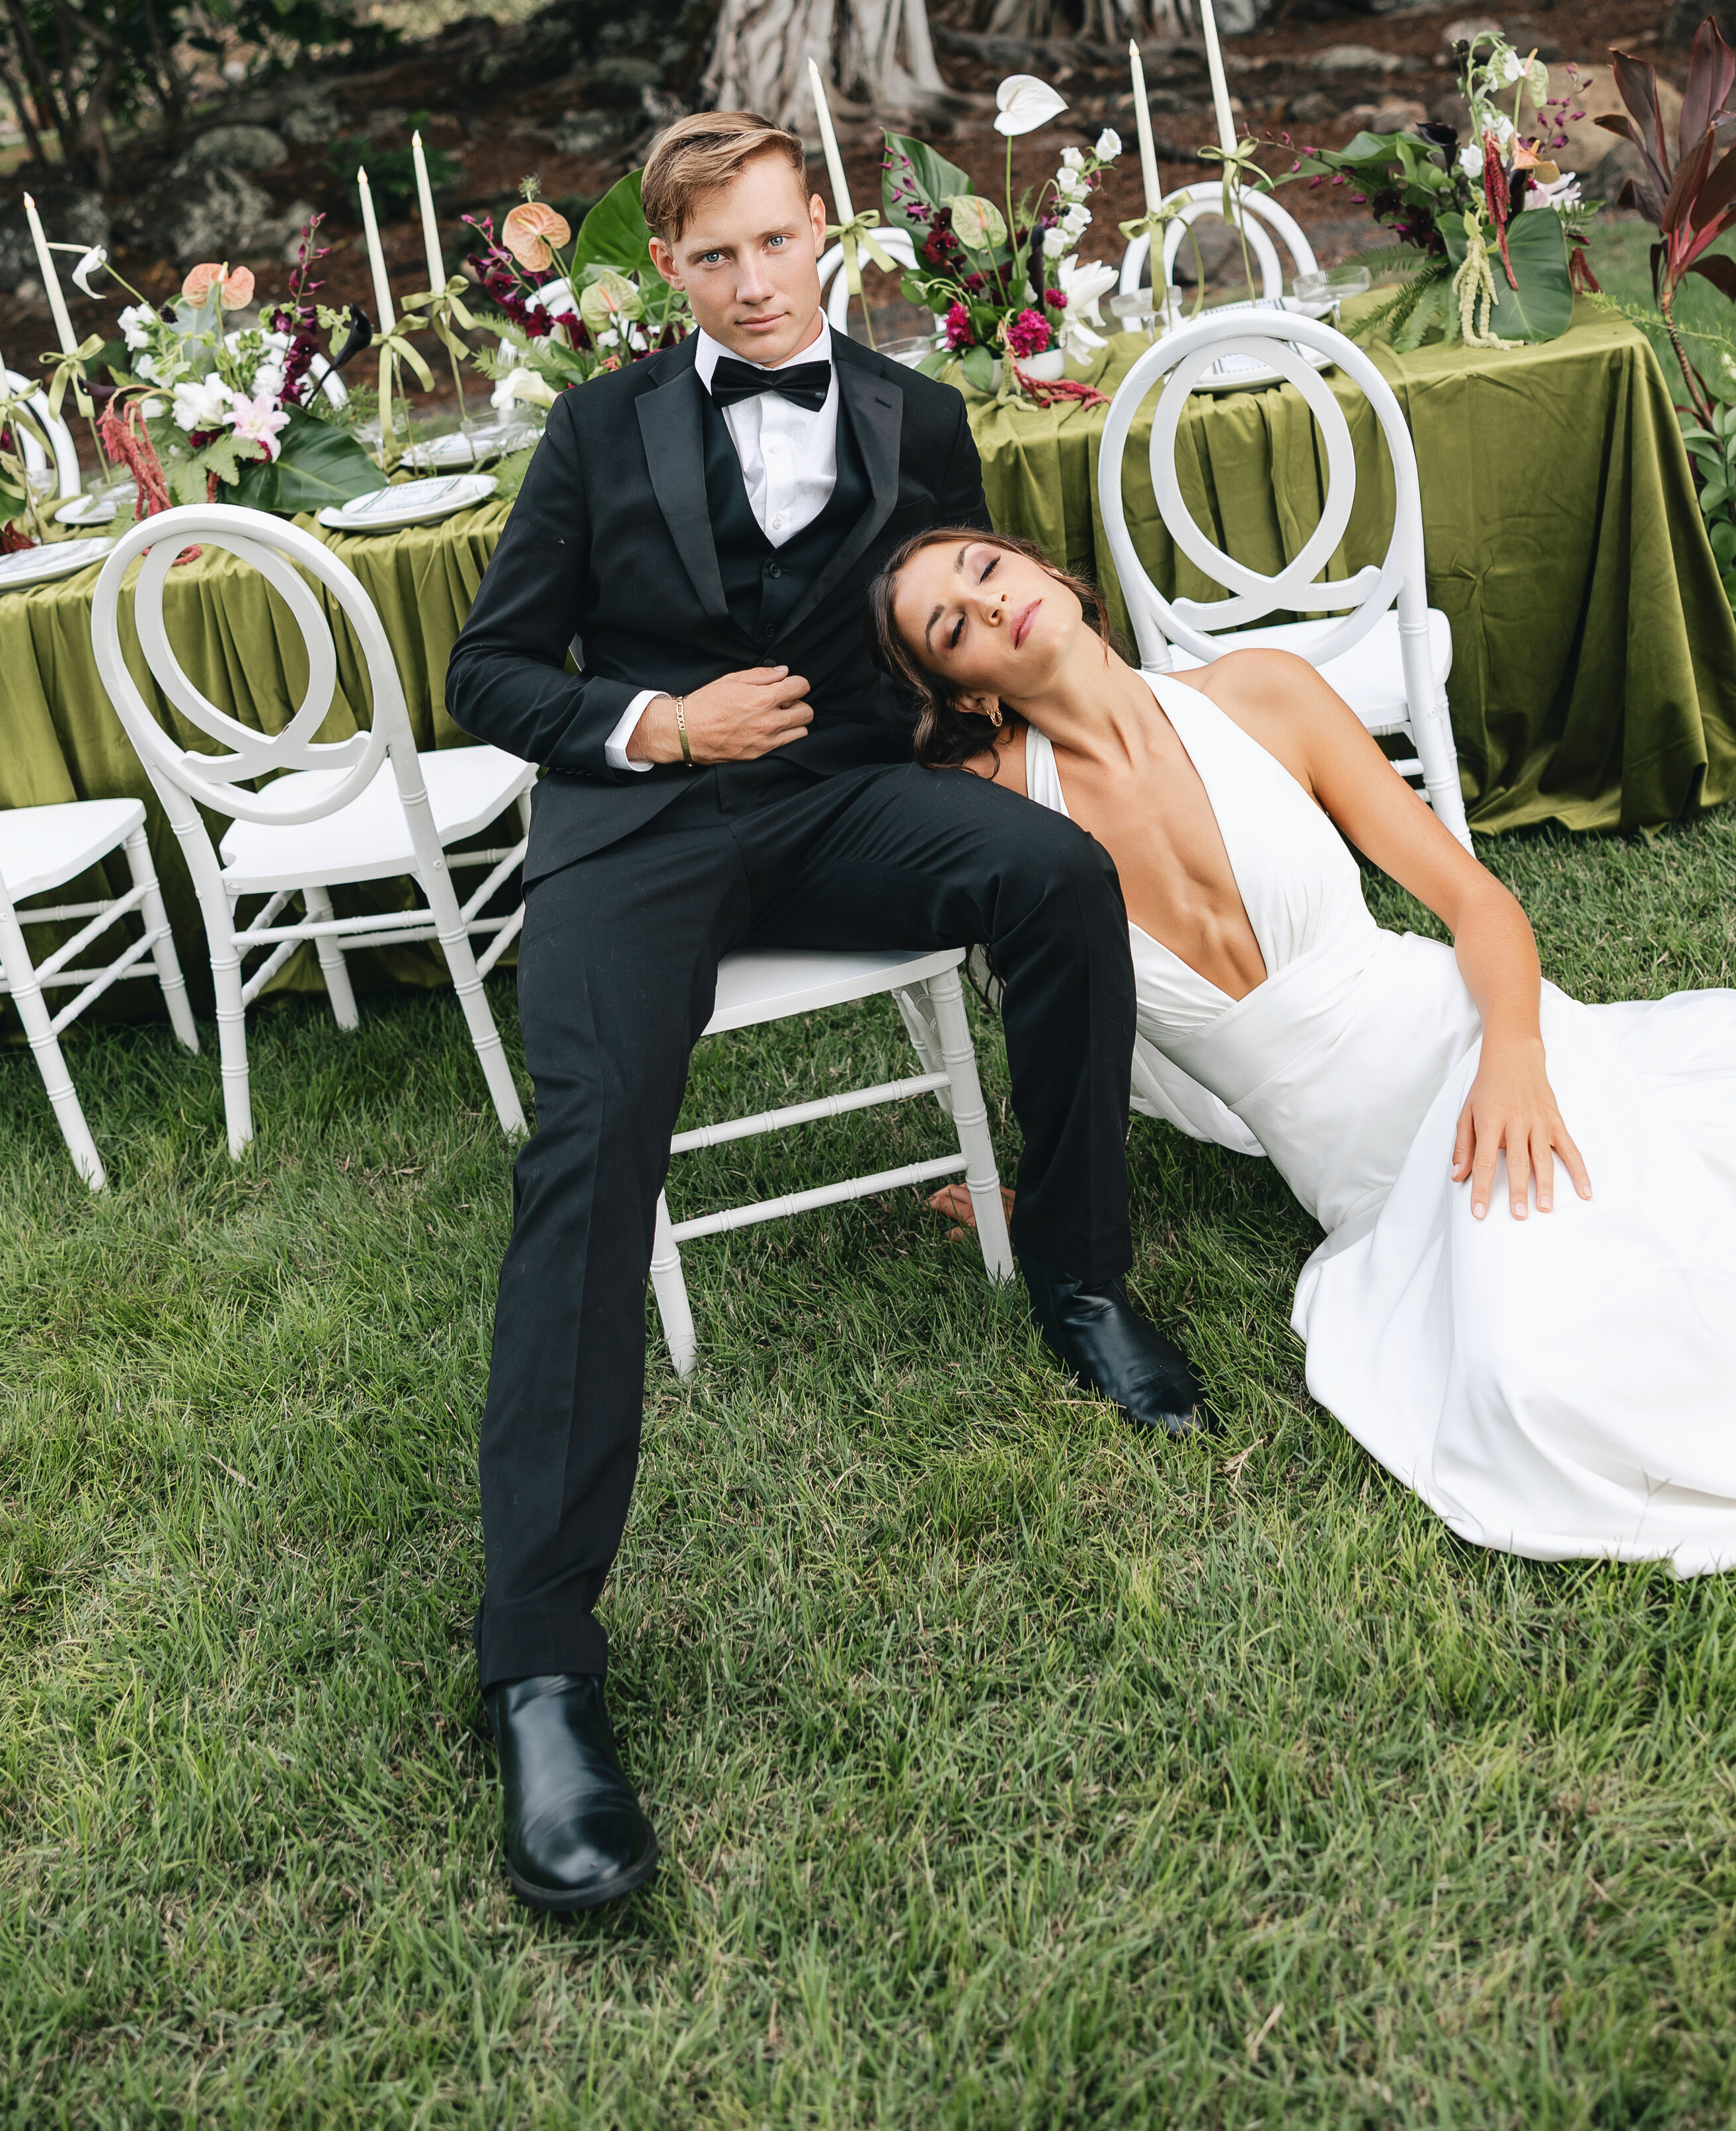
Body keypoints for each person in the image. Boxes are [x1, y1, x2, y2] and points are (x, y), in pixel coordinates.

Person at [444, 116, 1202, 1917]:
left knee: (1055, 881)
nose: (758, 283)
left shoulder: (920, 415)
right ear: (674, 272)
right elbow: (486, 672)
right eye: (718, 259)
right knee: (592, 1146)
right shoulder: (596, 429)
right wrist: (659, 727)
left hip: (846, 805)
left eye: (782, 244)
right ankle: (541, 1666)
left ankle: (1082, 1277)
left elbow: (959, 631)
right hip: (645, 824)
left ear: (826, 236)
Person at [875, 526, 1736, 1577]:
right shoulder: (998, 819)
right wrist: (1053, 1204)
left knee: (1627, 1305)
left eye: (986, 570)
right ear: (967, 692)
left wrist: (1517, 1058)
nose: (990, 602)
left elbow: (1475, 904)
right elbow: (1062, 1031)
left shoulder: (1262, 697)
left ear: (1049, 571)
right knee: (1521, 1377)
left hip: (1478, 1049)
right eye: (953, 626)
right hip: (1358, 1177)